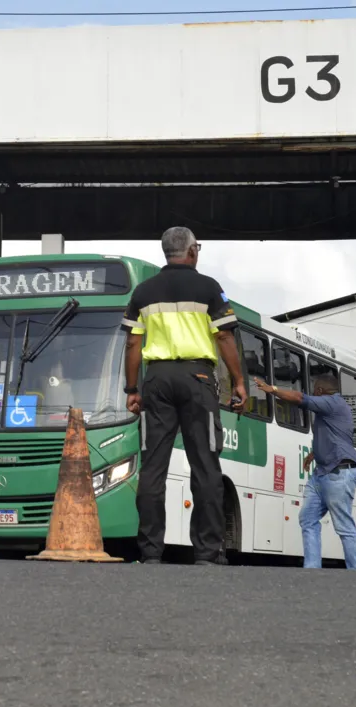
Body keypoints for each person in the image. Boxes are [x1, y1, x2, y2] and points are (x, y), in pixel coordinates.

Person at [122, 226, 247, 566]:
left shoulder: (143, 292)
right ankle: (207, 553)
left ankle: (150, 552)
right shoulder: (209, 288)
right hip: (198, 378)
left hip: (157, 381)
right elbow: (224, 338)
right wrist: (238, 382)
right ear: (192, 251)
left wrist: (132, 389)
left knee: (152, 468)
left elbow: (133, 342)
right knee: (205, 466)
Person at [254, 373, 356, 570]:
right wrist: (314, 453)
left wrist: (274, 389)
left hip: (338, 473)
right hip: (321, 473)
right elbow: (336, 436)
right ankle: (312, 569)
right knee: (308, 518)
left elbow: (300, 398)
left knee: (344, 526)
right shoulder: (333, 408)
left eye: (314, 390)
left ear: (320, 391)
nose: (313, 393)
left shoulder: (332, 403)